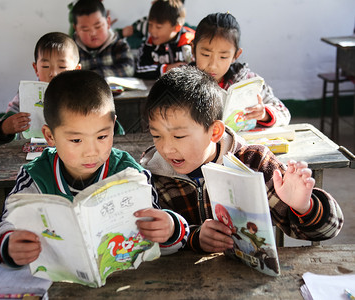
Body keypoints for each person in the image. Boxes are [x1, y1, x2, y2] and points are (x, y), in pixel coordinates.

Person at [0, 70, 188, 267]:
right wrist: (10, 246)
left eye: (102, 136)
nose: (91, 152)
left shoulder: (131, 174)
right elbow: (1, 231)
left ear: (113, 126)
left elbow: (158, 236)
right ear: (50, 136)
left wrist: (170, 229)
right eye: (76, 140)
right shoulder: (35, 177)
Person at [140, 66, 343, 254]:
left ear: (215, 131)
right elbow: (144, 245)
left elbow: (328, 230)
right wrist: (193, 237)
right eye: (156, 135)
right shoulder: (151, 175)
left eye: (178, 136)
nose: (166, 148)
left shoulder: (253, 163)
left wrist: (304, 207)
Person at [192, 12, 290, 127]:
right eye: (205, 54)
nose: (213, 65)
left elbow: (284, 113)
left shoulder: (247, 81)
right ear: (193, 50)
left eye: (223, 57)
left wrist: (264, 114)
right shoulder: (181, 81)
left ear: (236, 55)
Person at [0, 32, 81, 144]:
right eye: (45, 66)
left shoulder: (84, 96)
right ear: (36, 69)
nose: (53, 73)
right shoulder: (26, 96)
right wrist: (4, 128)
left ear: (76, 70)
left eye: (62, 67)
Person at [72, 0, 134, 77]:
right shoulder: (71, 49)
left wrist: (93, 75)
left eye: (98, 26)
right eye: (85, 29)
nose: (93, 33)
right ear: (76, 29)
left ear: (108, 22)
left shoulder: (119, 45)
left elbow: (128, 69)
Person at [134, 0, 195, 79]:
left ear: (176, 27)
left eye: (158, 27)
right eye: (150, 24)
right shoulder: (149, 43)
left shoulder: (191, 41)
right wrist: (166, 69)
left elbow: (201, 67)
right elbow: (139, 70)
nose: (152, 31)